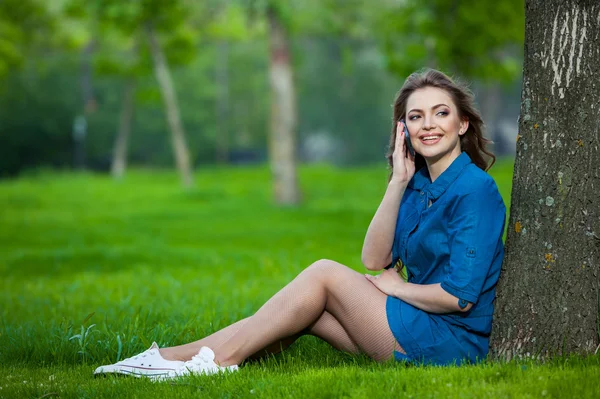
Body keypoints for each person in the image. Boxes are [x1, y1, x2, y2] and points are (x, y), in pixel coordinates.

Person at [94, 68, 506, 380]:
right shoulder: (415, 183)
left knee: (324, 274)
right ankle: (172, 358)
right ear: (404, 131)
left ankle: (215, 361)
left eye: (440, 113)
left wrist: (397, 286)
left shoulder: (475, 190)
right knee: (301, 312)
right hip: (417, 321)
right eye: (416, 117)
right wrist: (397, 181)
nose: (428, 124)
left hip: (450, 341)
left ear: (462, 123)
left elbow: (460, 297)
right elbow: (374, 257)